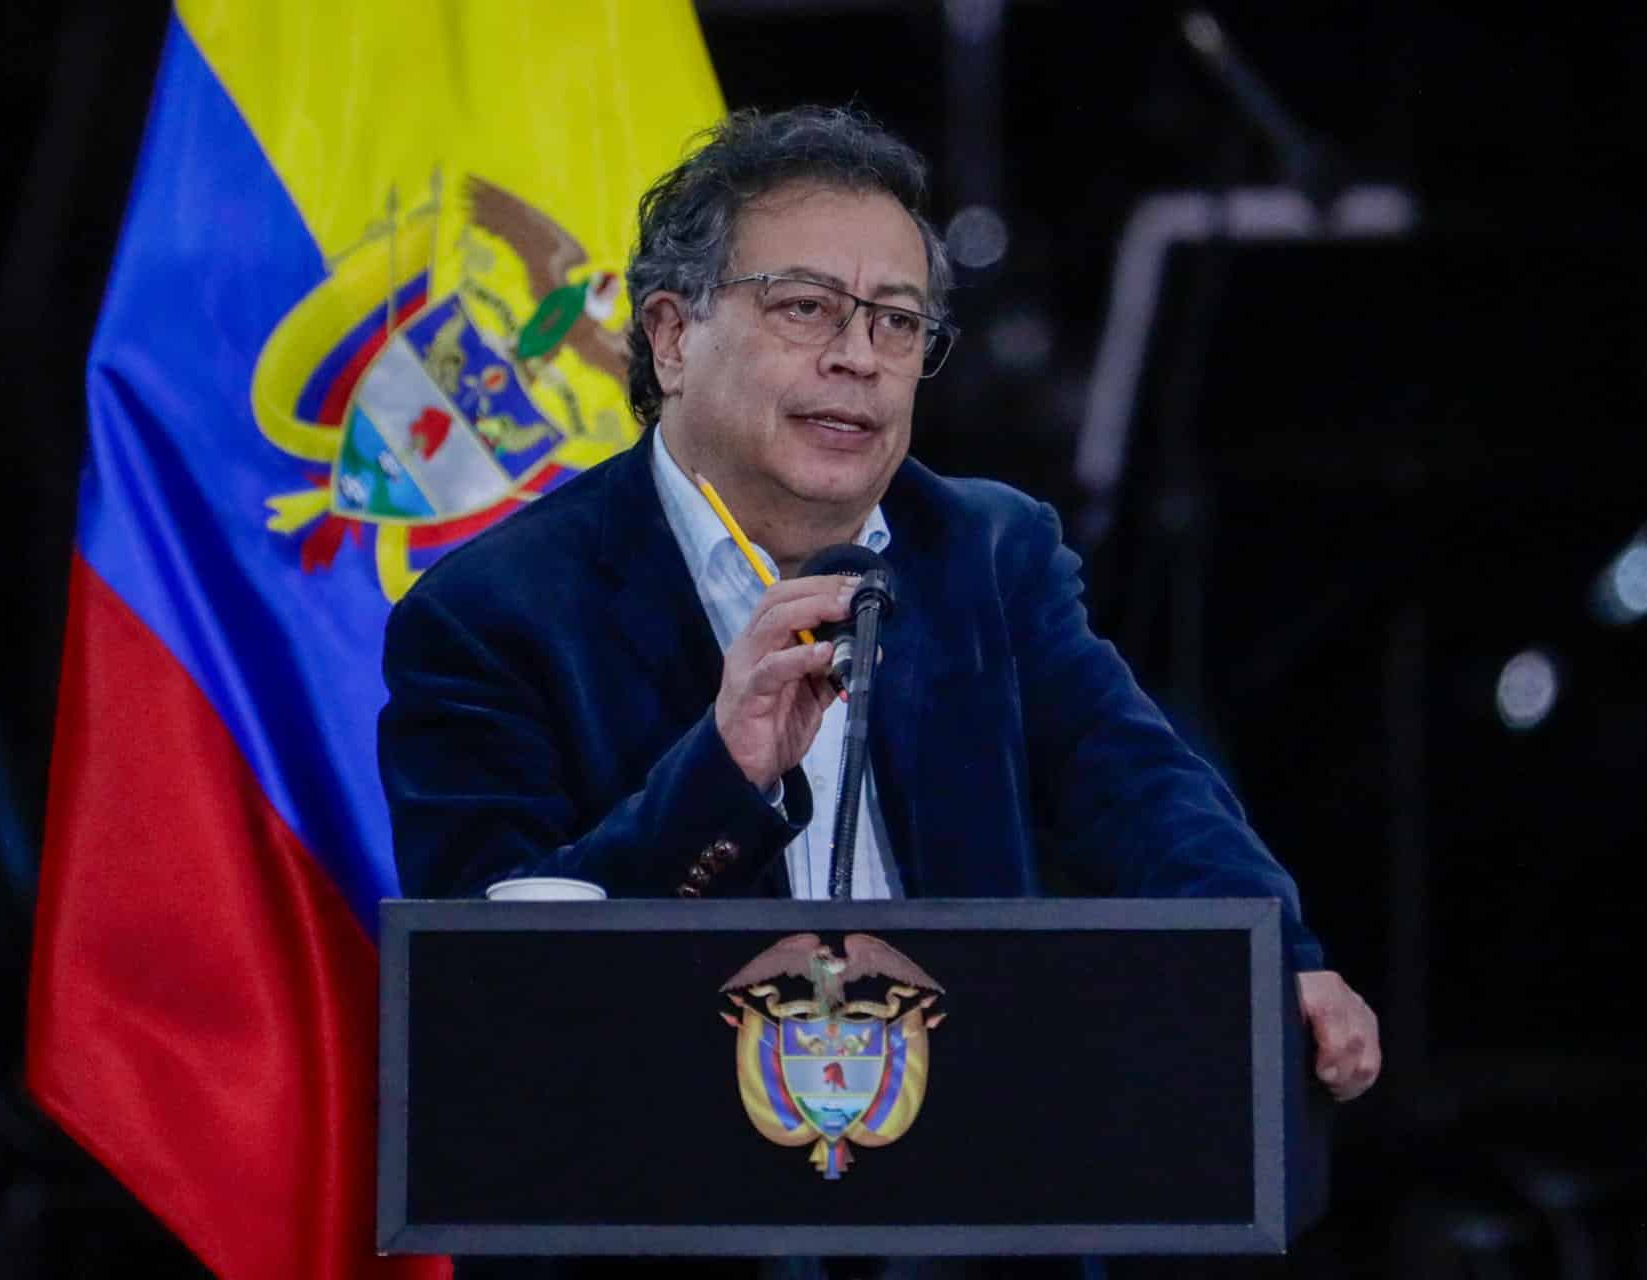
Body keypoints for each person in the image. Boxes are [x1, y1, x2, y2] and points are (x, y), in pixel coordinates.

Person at [378, 107, 1379, 1120]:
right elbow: (486, 991)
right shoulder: (486, 616)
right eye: (807, 308)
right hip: (673, 1174)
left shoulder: (987, 552)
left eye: (897, 321)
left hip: (966, 1157)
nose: (860, 356)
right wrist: (720, 778)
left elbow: (1138, 784)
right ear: (673, 338)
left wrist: (1275, 953)